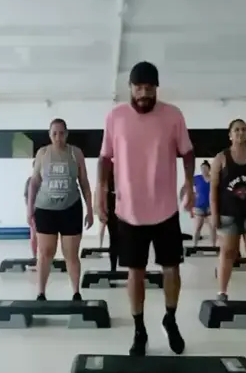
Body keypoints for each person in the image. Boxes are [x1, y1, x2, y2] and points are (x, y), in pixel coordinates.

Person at [98, 61, 194, 356]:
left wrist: (190, 184)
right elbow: (105, 158)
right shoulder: (115, 117)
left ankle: (170, 319)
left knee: (171, 269)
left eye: (149, 89)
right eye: (138, 88)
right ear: (130, 88)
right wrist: (100, 191)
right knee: (135, 272)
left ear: (156, 89)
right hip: (129, 210)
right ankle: (139, 329)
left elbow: (188, 152)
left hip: (165, 208)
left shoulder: (173, 115)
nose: (143, 94)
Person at [27, 118, 94, 301]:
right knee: (45, 253)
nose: (58, 137)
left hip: (70, 208)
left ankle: (76, 292)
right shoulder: (43, 153)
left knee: (71, 254)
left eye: (61, 133)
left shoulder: (75, 153)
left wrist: (90, 209)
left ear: (67, 134)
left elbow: (84, 183)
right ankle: (41, 293)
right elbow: (34, 182)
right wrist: (29, 208)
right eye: (54, 134)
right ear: (50, 135)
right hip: (45, 209)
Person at [210, 119, 246, 302]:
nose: (240, 133)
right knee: (227, 254)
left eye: (244, 129)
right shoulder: (221, 158)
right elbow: (213, 188)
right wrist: (214, 214)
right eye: (236, 130)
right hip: (228, 215)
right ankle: (222, 292)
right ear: (230, 135)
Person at [192, 161, 213, 246]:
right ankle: (194, 246)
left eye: (205, 168)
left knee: (212, 228)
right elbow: (188, 188)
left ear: (209, 169)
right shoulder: (196, 178)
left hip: (211, 207)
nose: (203, 170)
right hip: (199, 207)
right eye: (202, 168)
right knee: (197, 228)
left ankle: (214, 246)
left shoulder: (213, 178)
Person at [25, 161, 37, 259]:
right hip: (34, 212)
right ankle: (35, 257)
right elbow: (27, 196)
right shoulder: (30, 181)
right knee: (34, 235)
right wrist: (29, 211)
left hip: (46, 211)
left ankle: (43, 256)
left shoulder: (47, 180)